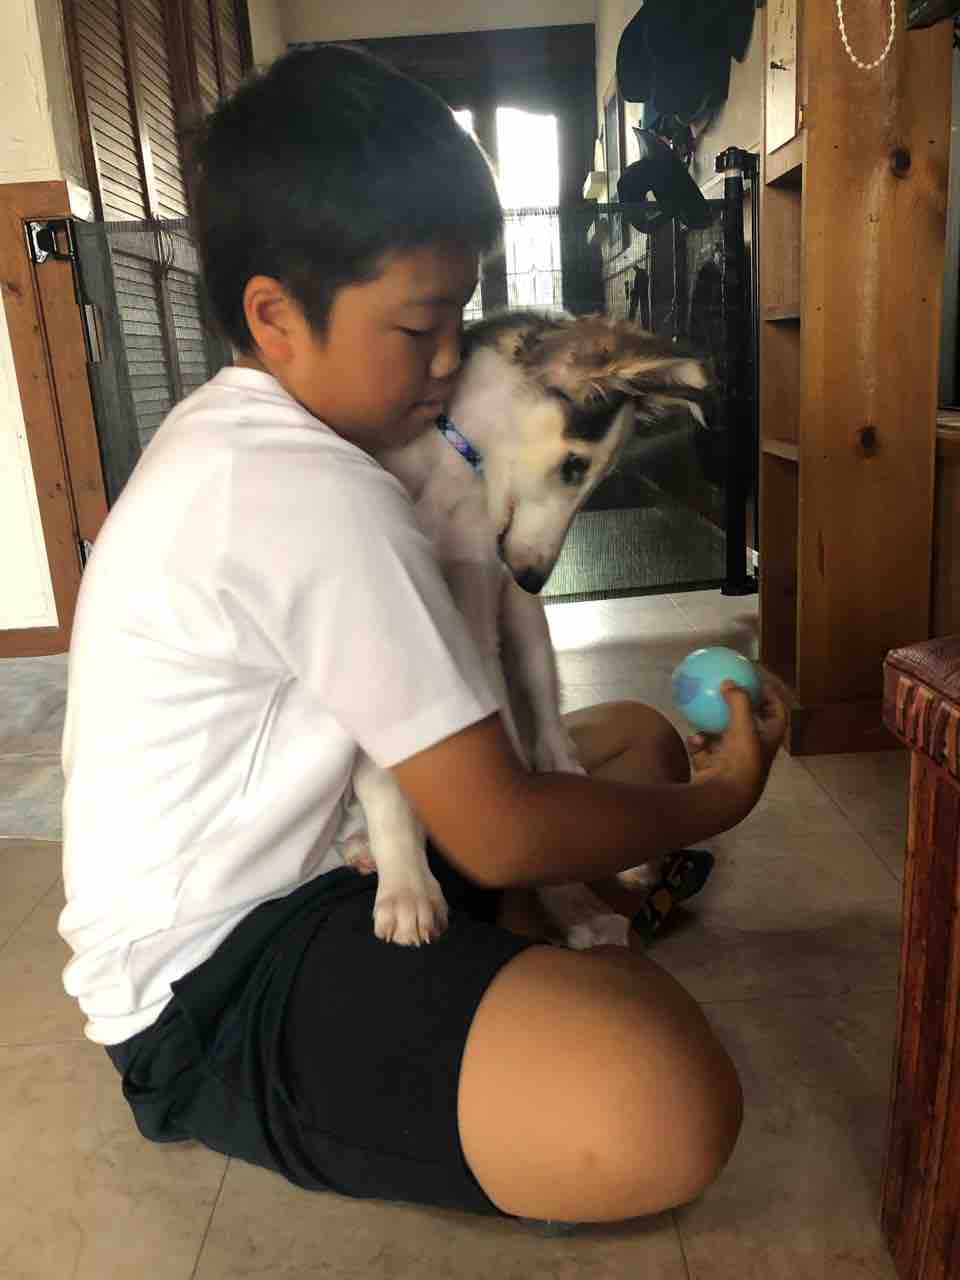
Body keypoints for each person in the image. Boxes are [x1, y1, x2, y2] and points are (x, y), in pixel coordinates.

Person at [58, 43, 786, 1226]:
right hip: (214, 979)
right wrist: (721, 800)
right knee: (660, 1094)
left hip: (337, 845)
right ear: (274, 315)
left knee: (633, 744)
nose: (451, 357)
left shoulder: (260, 436)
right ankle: (505, 959)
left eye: (462, 313)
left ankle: (506, 948)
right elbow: (498, 826)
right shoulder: (311, 490)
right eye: (418, 324)